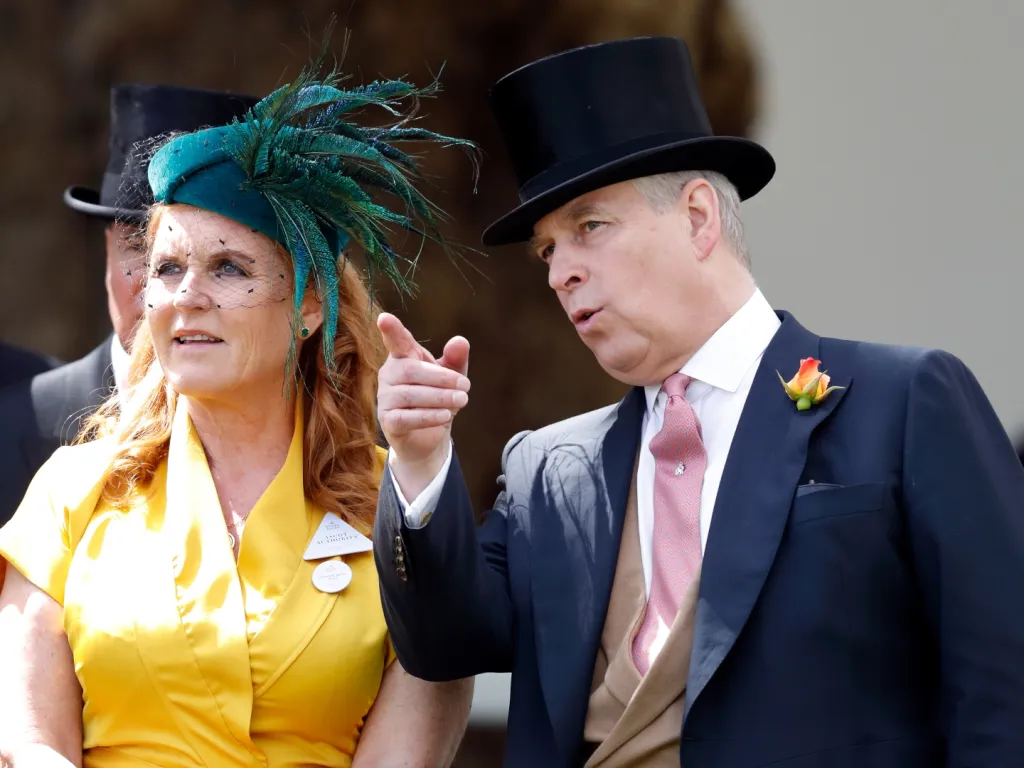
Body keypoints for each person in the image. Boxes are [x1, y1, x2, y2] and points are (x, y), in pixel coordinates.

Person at [372, 37, 1024, 768]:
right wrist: (418, 461)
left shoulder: (904, 402)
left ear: (698, 217)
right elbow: (446, 644)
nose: (561, 274)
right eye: (549, 250)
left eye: (589, 227)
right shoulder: (547, 469)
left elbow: (1005, 689)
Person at [0, 56, 476, 767]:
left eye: (229, 268)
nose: (186, 297)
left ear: (310, 304)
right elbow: (29, 743)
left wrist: (423, 457)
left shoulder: (394, 507)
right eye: (167, 268)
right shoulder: (73, 492)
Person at [0, 84, 259, 523]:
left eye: (223, 263)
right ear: (107, 249)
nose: (174, 289)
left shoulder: (339, 445)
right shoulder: (12, 430)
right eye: (141, 247)